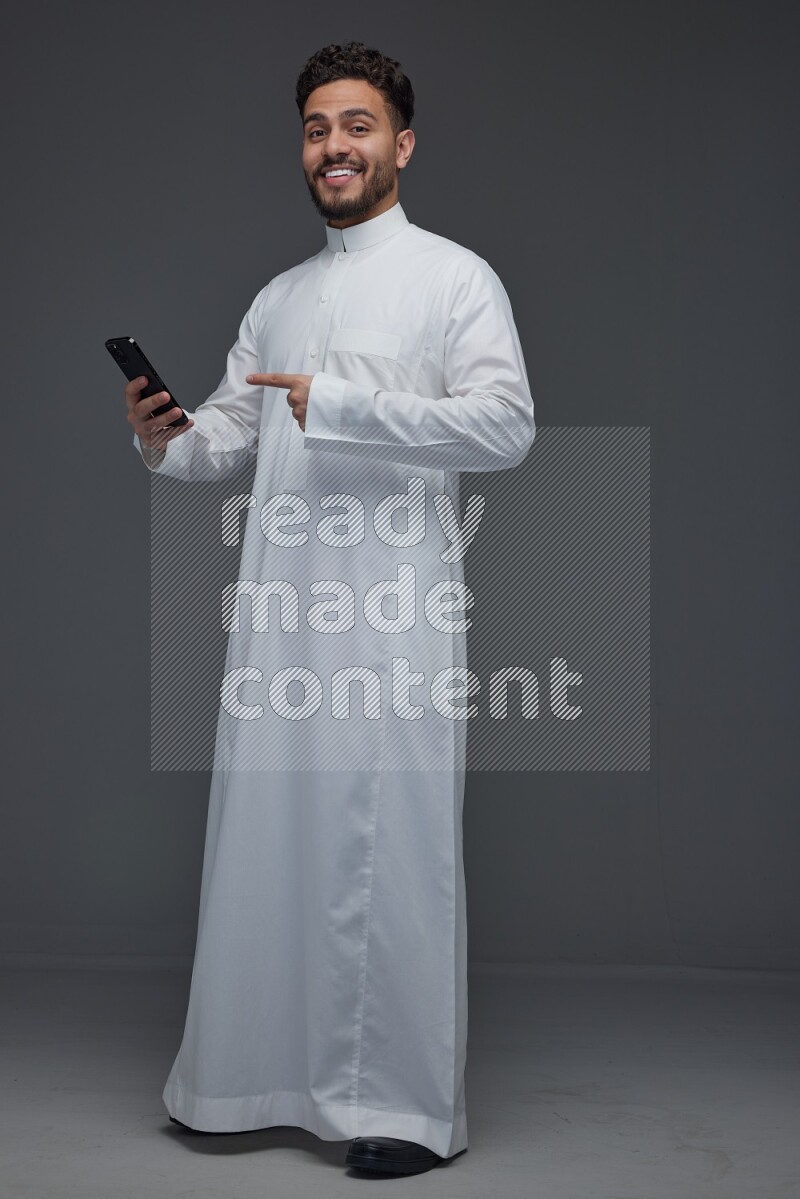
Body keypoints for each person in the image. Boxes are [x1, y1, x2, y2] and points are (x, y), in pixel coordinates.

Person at [125, 41, 534, 1177]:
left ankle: (400, 1110)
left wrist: (345, 404)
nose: (333, 146)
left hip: (393, 619)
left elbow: (504, 428)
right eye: (315, 128)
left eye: (355, 126)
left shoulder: (455, 278)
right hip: (280, 618)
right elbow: (225, 439)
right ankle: (240, 1080)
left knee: (387, 855)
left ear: (400, 144)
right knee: (268, 842)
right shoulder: (281, 296)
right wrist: (165, 436)